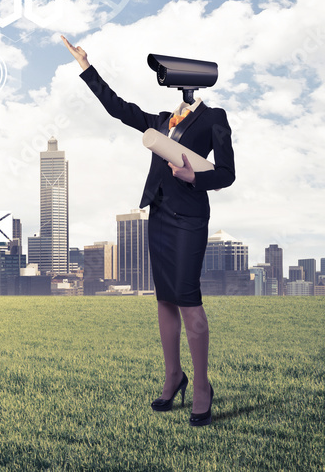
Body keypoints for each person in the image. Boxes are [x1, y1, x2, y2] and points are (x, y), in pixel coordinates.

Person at [61, 35, 235, 427]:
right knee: (165, 300)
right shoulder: (160, 121)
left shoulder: (214, 119)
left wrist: (194, 177)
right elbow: (118, 109)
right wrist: (86, 67)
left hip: (189, 219)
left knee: (189, 302)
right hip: (158, 216)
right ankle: (174, 374)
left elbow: (227, 173)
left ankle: (203, 386)